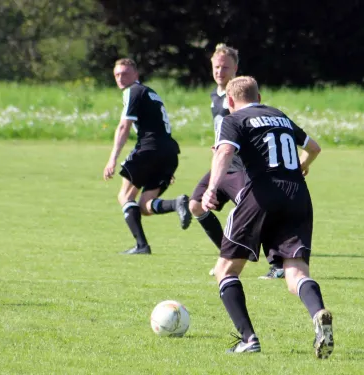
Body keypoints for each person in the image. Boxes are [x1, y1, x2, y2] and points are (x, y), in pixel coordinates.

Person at [202, 76, 334, 358]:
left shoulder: (234, 118)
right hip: (299, 194)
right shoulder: (279, 116)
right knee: (295, 273)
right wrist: (303, 166)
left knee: (226, 271)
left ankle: (249, 340)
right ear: (259, 97)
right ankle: (318, 313)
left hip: (263, 193)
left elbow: (224, 151)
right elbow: (315, 148)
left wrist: (211, 188)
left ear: (230, 101)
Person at [189, 44, 284, 279]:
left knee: (255, 208)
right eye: (216, 67)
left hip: (241, 163)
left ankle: (278, 263)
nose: (220, 71)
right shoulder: (215, 95)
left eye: (225, 67)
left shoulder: (240, 97)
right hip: (223, 163)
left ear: (236, 69)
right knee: (196, 204)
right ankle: (227, 255)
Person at [103, 58, 191, 255]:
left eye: (125, 73)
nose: (120, 78)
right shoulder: (150, 93)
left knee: (124, 196)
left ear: (136, 75)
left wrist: (112, 159)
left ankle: (142, 246)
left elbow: (124, 126)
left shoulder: (132, 91)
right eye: (117, 74)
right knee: (144, 205)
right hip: (168, 151)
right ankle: (177, 203)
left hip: (149, 149)